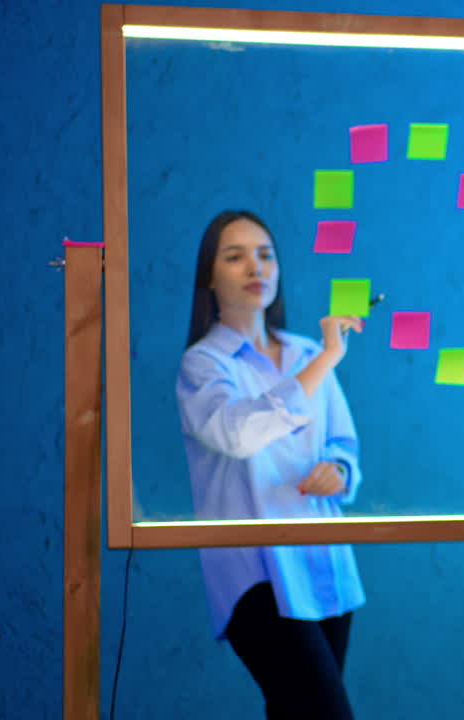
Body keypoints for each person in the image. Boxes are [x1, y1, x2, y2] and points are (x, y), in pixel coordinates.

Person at [176, 210, 366, 719]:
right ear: (209, 279)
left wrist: (340, 471)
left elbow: (344, 444)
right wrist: (325, 360)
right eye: (234, 257)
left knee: (294, 714)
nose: (254, 267)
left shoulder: (305, 350)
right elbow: (237, 434)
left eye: (265, 255)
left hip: (325, 565)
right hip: (254, 574)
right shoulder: (204, 364)